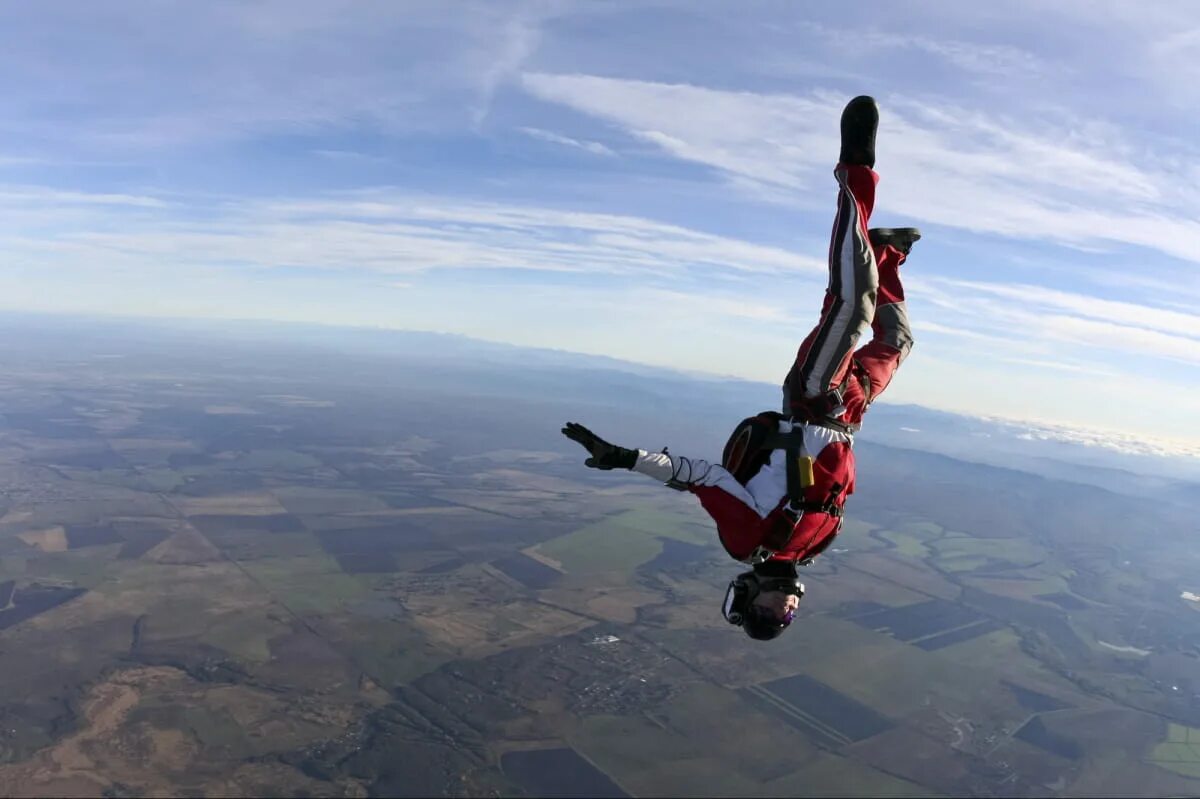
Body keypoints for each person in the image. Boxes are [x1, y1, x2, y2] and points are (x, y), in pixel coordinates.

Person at [561, 96, 919, 641]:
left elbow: (700, 477)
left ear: (747, 594)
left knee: (850, 306)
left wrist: (627, 459)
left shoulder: (746, 539)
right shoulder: (813, 546)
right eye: (787, 617)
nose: (785, 608)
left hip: (811, 397)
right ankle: (884, 253)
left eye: (770, 613)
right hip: (849, 411)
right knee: (897, 339)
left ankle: (855, 173)